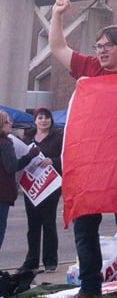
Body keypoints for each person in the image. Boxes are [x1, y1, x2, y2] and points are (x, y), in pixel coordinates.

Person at [46, 0, 117, 297]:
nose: (101, 51)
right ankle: (89, 287)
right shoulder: (90, 68)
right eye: (98, 46)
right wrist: (57, 15)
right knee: (85, 227)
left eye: (108, 45)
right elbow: (58, 48)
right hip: (90, 162)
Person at [17, 107, 64, 274]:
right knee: (33, 224)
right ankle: (32, 261)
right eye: (40, 117)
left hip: (50, 184)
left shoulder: (58, 136)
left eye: (47, 117)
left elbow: (66, 156)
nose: (43, 120)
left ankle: (50, 261)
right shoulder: (27, 137)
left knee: (48, 222)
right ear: (35, 120)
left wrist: (53, 160)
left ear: (51, 120)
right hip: (31, 185)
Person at [0, 111, 17, 251]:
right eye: (7, 122)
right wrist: (29, 156)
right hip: (2, 194)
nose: (10, 124)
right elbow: (11, 167)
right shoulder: (5, 143)